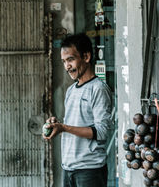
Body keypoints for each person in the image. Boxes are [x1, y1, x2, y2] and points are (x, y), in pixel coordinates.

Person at [43, 33, 112, 187]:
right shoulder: (71, 90)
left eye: (71, 59)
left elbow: (101, 132)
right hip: (69, 168)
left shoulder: (98, 89)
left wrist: (64, 128)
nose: (67, 66)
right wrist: (57, 125)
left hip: (90, 170)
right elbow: (74, 124)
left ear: (86, 57)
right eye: (64, 61)